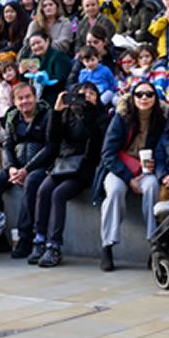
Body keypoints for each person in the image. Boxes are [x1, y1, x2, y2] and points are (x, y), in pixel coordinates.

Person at [29, 84, 106, 267]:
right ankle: (39, 239)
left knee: (59, 194)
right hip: (64, 164)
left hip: (85, 167)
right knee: (44, 189)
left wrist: (89, 113)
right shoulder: (68, 113)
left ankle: (54, 246)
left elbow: (96, 142)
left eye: (91, 93)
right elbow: (53, 139)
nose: (86, 96)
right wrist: (56, 112)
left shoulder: (101, 116)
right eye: (82, 94)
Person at [94, 79, 165, 271]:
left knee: (152, 188)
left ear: (155, 98)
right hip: (119, 168)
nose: (144, 98)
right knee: (115, 191)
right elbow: (108, 153)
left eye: (149, 94)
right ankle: (107, 245)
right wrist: (128, 178)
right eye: (139, 94)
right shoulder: (122, 117)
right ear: (132, 98)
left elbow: (165, 148)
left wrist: (155, 163)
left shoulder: (160, 119)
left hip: (146, 170)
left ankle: (155, 244)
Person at [0, 80, 50, 259]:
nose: (24, 101)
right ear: (14, 101)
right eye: (20, 98)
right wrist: (11, 167)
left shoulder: (47, 115)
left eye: (28, 97)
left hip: (41, 167)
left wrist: (26, 170)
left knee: (32, 182)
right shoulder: (13, 118)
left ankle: (25, 239)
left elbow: (50, 147)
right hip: (17, 165)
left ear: (35, 97)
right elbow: (8, 145)